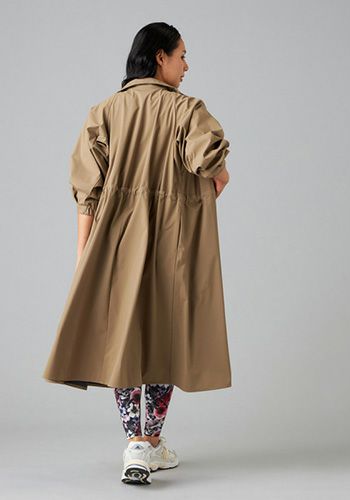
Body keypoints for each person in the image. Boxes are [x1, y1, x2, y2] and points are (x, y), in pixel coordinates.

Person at [42, 22, 231, 485]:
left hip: (116, 240)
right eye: (182, 55)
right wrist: (207, 184)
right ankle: (151, 442)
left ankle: (135, 441)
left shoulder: (105, 111)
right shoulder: (187, 111)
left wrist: (84, 255)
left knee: (122, 337)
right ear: (160, 57)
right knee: (165, 334)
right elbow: (213, 167)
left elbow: (87, 192)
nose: (187, 66)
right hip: (173, 241)